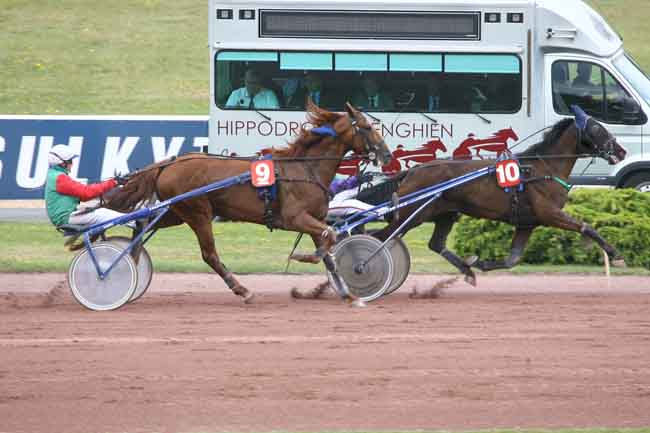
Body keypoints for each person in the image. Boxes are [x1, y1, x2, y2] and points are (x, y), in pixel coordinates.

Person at [45, 144, 131, 229]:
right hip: (66, 217)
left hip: (66, 216)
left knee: (101, 211)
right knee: (102, 214)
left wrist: (108, 186)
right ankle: (134, 222)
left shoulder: (54, 175)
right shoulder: (60, 177)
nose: (72, 164)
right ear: (62, 163)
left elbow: (83, 195)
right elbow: (86, 192)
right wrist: (114, 182)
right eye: (70, 161)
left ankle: (132, 221)